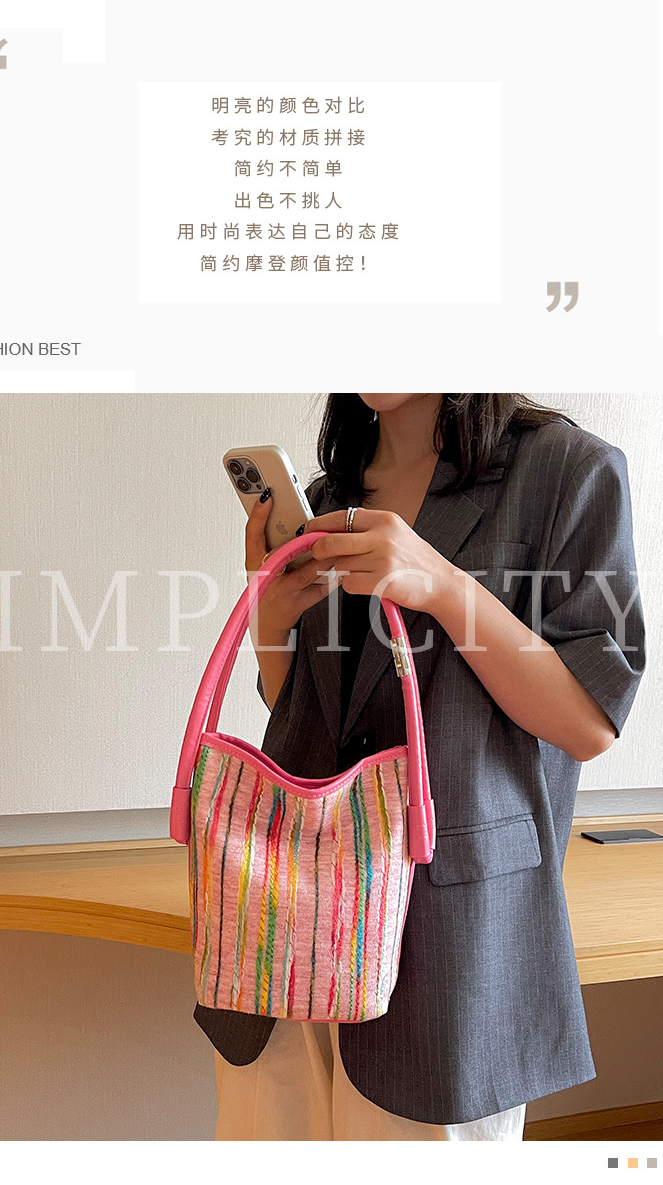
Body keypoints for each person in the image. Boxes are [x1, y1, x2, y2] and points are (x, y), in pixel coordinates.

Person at [194, 393, 646, 1141]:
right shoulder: (332, 492)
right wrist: (271, 615)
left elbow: (589, 720)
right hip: (288, 906)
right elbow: (300, 709)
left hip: (447, 934)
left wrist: (443, 585)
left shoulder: (567, 471)